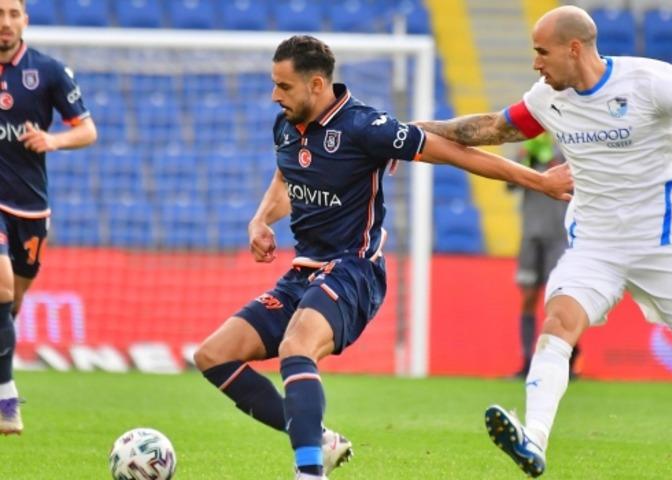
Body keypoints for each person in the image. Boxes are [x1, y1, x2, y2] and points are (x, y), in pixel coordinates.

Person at [416, 6, 672, 477]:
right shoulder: (547, 99)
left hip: (667, 247)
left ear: (574, 49)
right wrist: (410, 132)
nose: (536, 64)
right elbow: (488, 128)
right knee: (558, 319)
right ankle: (534, 439)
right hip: (595, 245)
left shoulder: (654, 83)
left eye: (541, 52)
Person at [192, 35, 573, 480]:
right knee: (213, 355)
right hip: (303, 274)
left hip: (354, 271)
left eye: (284, 86)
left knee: (297, 349)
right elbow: (287, 173)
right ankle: (322, 440)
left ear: (317, 85)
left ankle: (309, 472)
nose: (275, 95)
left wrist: (539, 182)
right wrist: (261, 219)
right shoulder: (285, 124)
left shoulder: (365, 127)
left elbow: (455, 153)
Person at [0, 0, 97, 436]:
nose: (5, 23)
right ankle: (5, 400)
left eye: (12, 14)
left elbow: (87, 129)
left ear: (25, 20)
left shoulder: (49, 71)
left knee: (12, 303)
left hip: (31, 207)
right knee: (0, 285)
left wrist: (53, 141)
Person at [509, 133, 580, 378]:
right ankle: (527, 362)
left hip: (559, 237)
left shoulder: (567, 151)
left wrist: (552, 165)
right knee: (528, 296)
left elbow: (579, 186)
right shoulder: (528, 153)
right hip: (531, 235)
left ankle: (568, 363)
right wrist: (526, 160)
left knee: (561, 300)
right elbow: (509, 185)